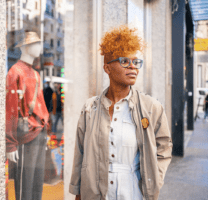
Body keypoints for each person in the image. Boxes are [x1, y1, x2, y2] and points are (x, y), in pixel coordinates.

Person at [69, 25, 173, 200]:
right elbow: (80, 153)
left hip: (134, 192)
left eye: (136, 62)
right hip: (95, 193)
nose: (133, 67)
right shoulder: (90, 108)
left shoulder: (151, 107)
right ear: (107, 68)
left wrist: (155, 180)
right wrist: (78, 192)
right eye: (125, 61)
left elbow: (164, 148)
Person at [6, 32, 49, 200]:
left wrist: (45, 130)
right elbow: (10, 109)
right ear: (24, 47)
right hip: (25, 135)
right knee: (25, 185)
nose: (39, 47)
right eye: (35, 44)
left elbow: (42, 105)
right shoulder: (15, 71)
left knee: (37, 184)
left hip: (39, 132)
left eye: (39, 43)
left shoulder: (36, 74)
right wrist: (10, 144)